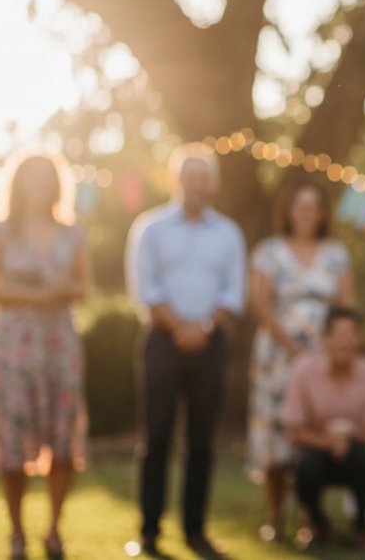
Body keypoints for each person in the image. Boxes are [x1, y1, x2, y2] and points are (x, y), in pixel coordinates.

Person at [126, 143, 246, 557]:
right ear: (176, 180)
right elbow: (146, 287)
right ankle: (150, 530)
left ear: (211, 183)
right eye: (189, 176)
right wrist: (180, 327)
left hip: (211, 343)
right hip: (161, 341)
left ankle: (195, 530)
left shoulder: (229, 233)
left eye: (203, 177)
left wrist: (205, 327)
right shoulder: (150, 228)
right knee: (155, 436)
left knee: (202, 439)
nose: (196, 184)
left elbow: (234, 292)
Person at [0, 152, 89, 560]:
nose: (39, 185)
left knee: (62, 439)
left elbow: (83, 288)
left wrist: (60, 288)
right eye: (31, 177)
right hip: (14, 345)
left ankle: (54, 530)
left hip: (59, 343)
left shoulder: (72, 232)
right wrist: (36, 294)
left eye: (46, 177)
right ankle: (17, 533)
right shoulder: (0, 232)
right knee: (12, 440)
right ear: (18, 183)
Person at [247, 180, 354, 541]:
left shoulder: (337, 254)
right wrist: (293, 346)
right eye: (300, 205)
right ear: (289, 211)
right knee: (276, 434)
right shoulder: (269, 251)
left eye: (313, 206)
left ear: (323, 213)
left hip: (323, 355)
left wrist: (330, 348)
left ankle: (312, 519)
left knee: (314, 431)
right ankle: (275, 517)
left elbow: (344, 308)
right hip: (278, 354)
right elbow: (260, 304)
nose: (307, 212)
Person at [282, 306, 365, 550]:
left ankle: (362, 527)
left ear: (360, 339)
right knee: (305, 466)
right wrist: (329, 443)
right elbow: (294, 429)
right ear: (326, 339)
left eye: (351, 335)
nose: (345, 342)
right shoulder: (303, 370)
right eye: (338, 335)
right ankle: (317, 524)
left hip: (355, 447)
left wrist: (346, 439)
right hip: (316, 446)